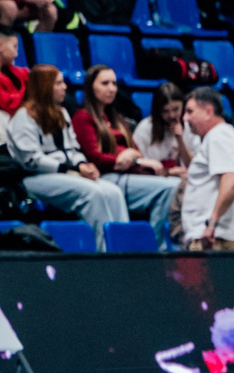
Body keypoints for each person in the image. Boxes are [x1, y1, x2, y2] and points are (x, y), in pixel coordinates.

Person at [7, 66, 142, 244]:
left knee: (113, 192)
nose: (65, 87)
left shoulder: (62, 113)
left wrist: (82, 165)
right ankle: (103, 251)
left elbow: (73, 149)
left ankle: (124, 247)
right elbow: (31, 160)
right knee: (92, 193)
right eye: (58, 83)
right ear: (45, 87)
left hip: (66, 173)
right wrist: (67, 169)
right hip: (34, 178)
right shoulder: (24, 117)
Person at [71, 65, 177, 242]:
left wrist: (132, 156)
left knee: (176, 184)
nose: (112, 88)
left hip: (128, 174)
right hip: (105, 177)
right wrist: (121, 158)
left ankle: (157, 241)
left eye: (114, 83)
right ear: (91, 87)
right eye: (105, 83)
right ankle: (157, 246)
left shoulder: (117, 119)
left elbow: (136, 152)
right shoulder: (83, 117)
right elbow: (94, 157)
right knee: (169, 188)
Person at [179, 88, 234, 251]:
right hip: (229, 236)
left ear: (208, 111)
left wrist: (212, 223)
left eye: (190, 111)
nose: (185, 118)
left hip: (217, 239)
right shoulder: (230, 136)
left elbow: (232, 178)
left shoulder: (218, 135)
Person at [133, 82, 194, 172]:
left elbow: (193, 168)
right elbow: (137, 167)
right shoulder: (144, 128)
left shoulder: (190, 126)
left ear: (183, 105)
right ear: (158, 111)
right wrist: (168, 172)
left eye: (176, 109)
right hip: (153, 178)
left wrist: (180, 141)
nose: (171, 115)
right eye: (165, 111)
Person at [0, 29, 27, 116]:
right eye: (14, 47)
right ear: (0, 46)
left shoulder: (14, 71)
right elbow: (9, 104)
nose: (16, 54)